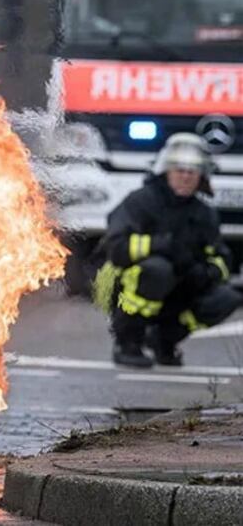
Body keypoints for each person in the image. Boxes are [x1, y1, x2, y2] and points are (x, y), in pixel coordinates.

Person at [93, 133, 243, 368]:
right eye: (179, 170)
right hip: (127, 285)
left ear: (201, 176)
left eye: (191, 171)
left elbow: (222, 257)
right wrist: (159, 247)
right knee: (157, 271)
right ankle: (128, 341)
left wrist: (205, 273)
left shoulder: (204, 214)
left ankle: (164, 339)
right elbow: (116, 248)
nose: (185, 176)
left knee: (226, 298)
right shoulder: (141, 202)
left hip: (179, 287)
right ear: (166, 171)